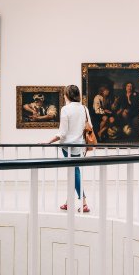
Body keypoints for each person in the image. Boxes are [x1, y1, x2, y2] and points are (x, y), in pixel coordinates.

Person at [45, 84, 92, 213]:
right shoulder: (84, 108)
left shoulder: (65, 109)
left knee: (75, 171)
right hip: (80, 146)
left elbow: (62, 133)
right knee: (74, 171)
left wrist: (48, 142)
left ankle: (83, 203)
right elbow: (89, 127)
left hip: (68, 147)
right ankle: (69, 202)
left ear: (67, 95)